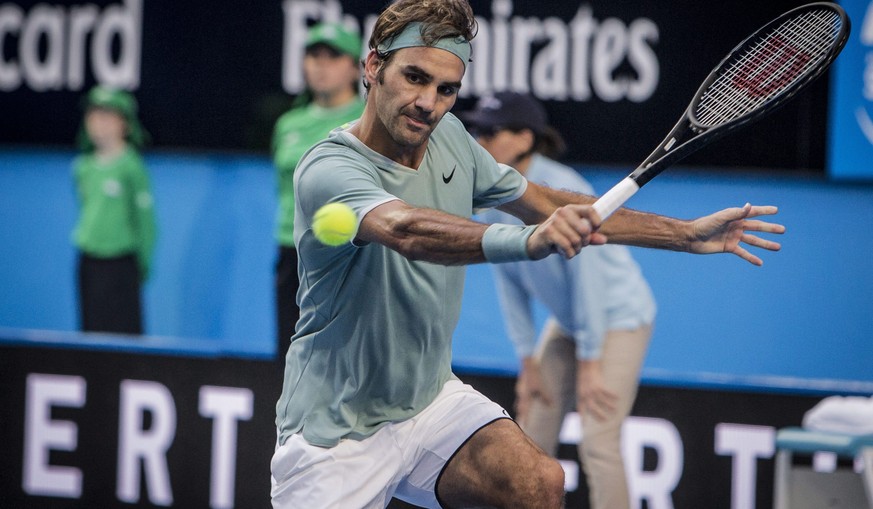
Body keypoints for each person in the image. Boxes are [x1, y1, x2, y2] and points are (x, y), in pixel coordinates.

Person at [271, 1, 784, 507]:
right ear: (374, 66)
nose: (428, 102)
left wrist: (686, 236)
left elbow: (546, 202)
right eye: (414, 77)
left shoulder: (450, 138)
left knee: (538, 482)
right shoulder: (328, 167)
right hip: (333, 434)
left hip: (427, 404)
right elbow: (406, 229)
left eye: (446, 89)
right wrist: (528, 241)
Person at [465, 92, 656, 509]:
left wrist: (590, 363)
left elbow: (588, 280)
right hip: (571, 323)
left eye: (490, 131)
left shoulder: (563, 189)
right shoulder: (492, 197)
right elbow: (508, 280)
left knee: (598, 440)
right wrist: (526, 362)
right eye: (476, 130)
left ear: (523, 139)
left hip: (618, 318)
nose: (478, 140)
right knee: (529, 431)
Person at [271, 21, 366, 352]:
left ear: (357, 69)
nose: (321, 66)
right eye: (314, 56)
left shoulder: (369, 120)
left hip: (348, 253)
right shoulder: (287, 125)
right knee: (290, 351)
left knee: (345, 354)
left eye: (333, 56)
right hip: (291, 250)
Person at [72, 85, 156, 335]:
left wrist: (142, 264)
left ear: (125, 123)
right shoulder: (82, 168)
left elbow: (145, 222)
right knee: (91, 328)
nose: (101, 123)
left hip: (122, 264)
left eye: (109, 116)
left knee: (124, 331)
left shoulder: (132, 167)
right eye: (95, 115)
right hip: (89, 261)